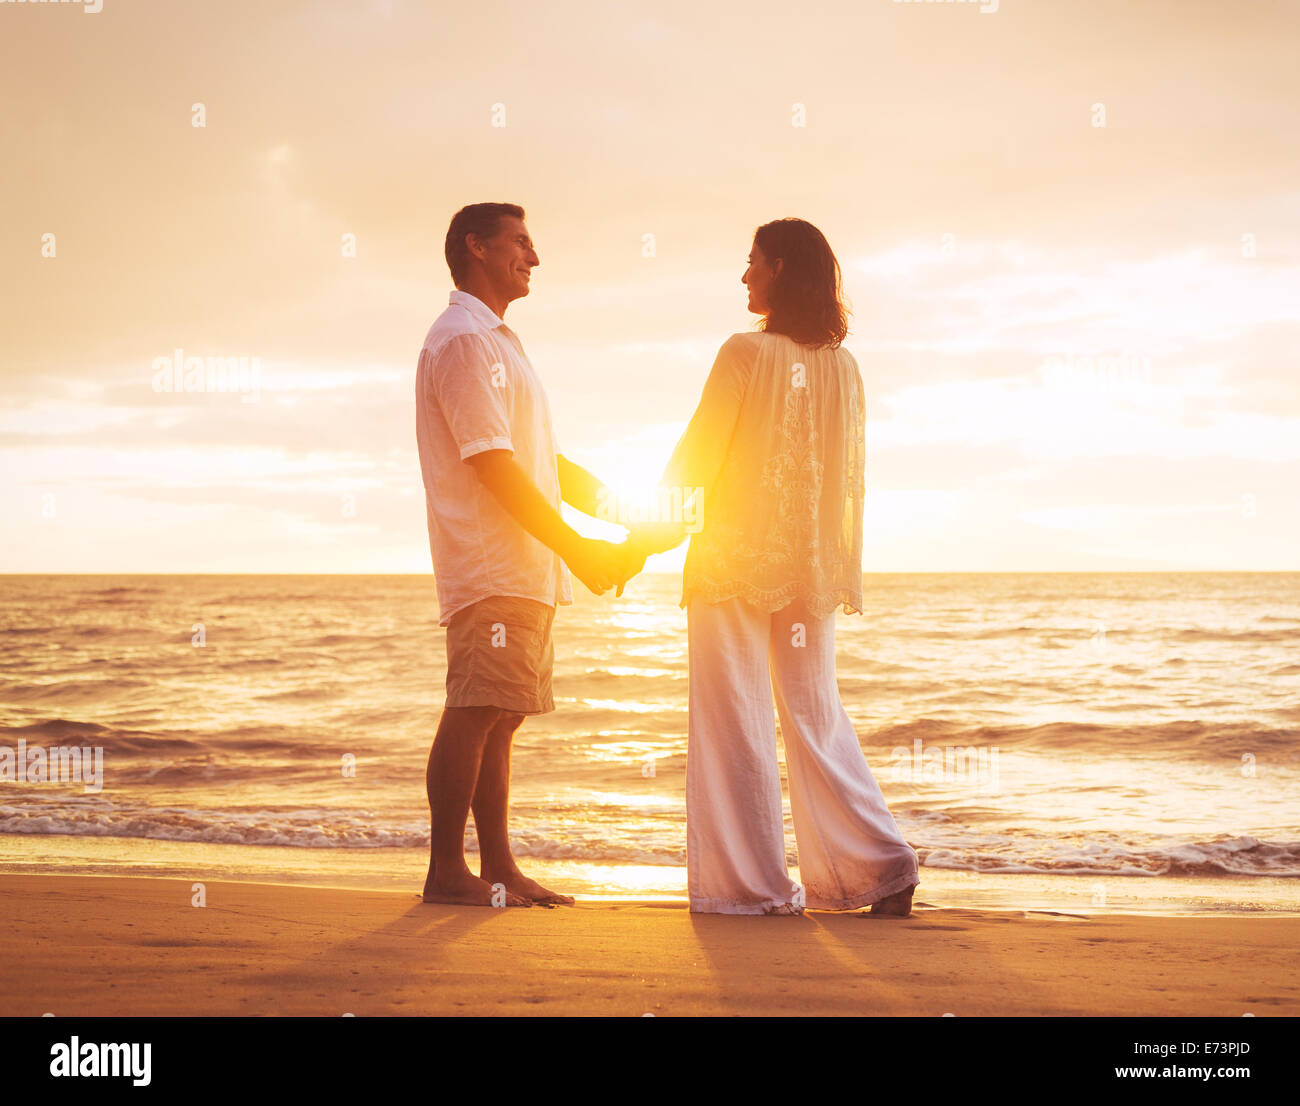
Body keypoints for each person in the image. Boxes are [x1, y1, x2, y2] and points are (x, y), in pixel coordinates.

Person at [631, 218, 920, 916]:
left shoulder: (743, 354)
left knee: (734, 716)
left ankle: (751, 889)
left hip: (733, 558)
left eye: (752, 261)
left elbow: (699, 456)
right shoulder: (844, 368)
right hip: (808, 566)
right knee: (815, 713)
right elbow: (841, 483)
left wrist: (639, 541)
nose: (743, 276)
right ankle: (882, 867)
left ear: (780, 267)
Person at [415, 202, 643, 907]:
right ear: (475, 247)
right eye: (520, 242)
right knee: (477, 706)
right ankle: (448, 871)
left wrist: (630, 509)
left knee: (502, 714)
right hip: (492, 563)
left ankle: (500, 867)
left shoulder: (499, 343)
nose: (534, 257)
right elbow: (494, 465)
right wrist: (575, 547)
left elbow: (541, 461)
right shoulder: (463, 341)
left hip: (522, 565)